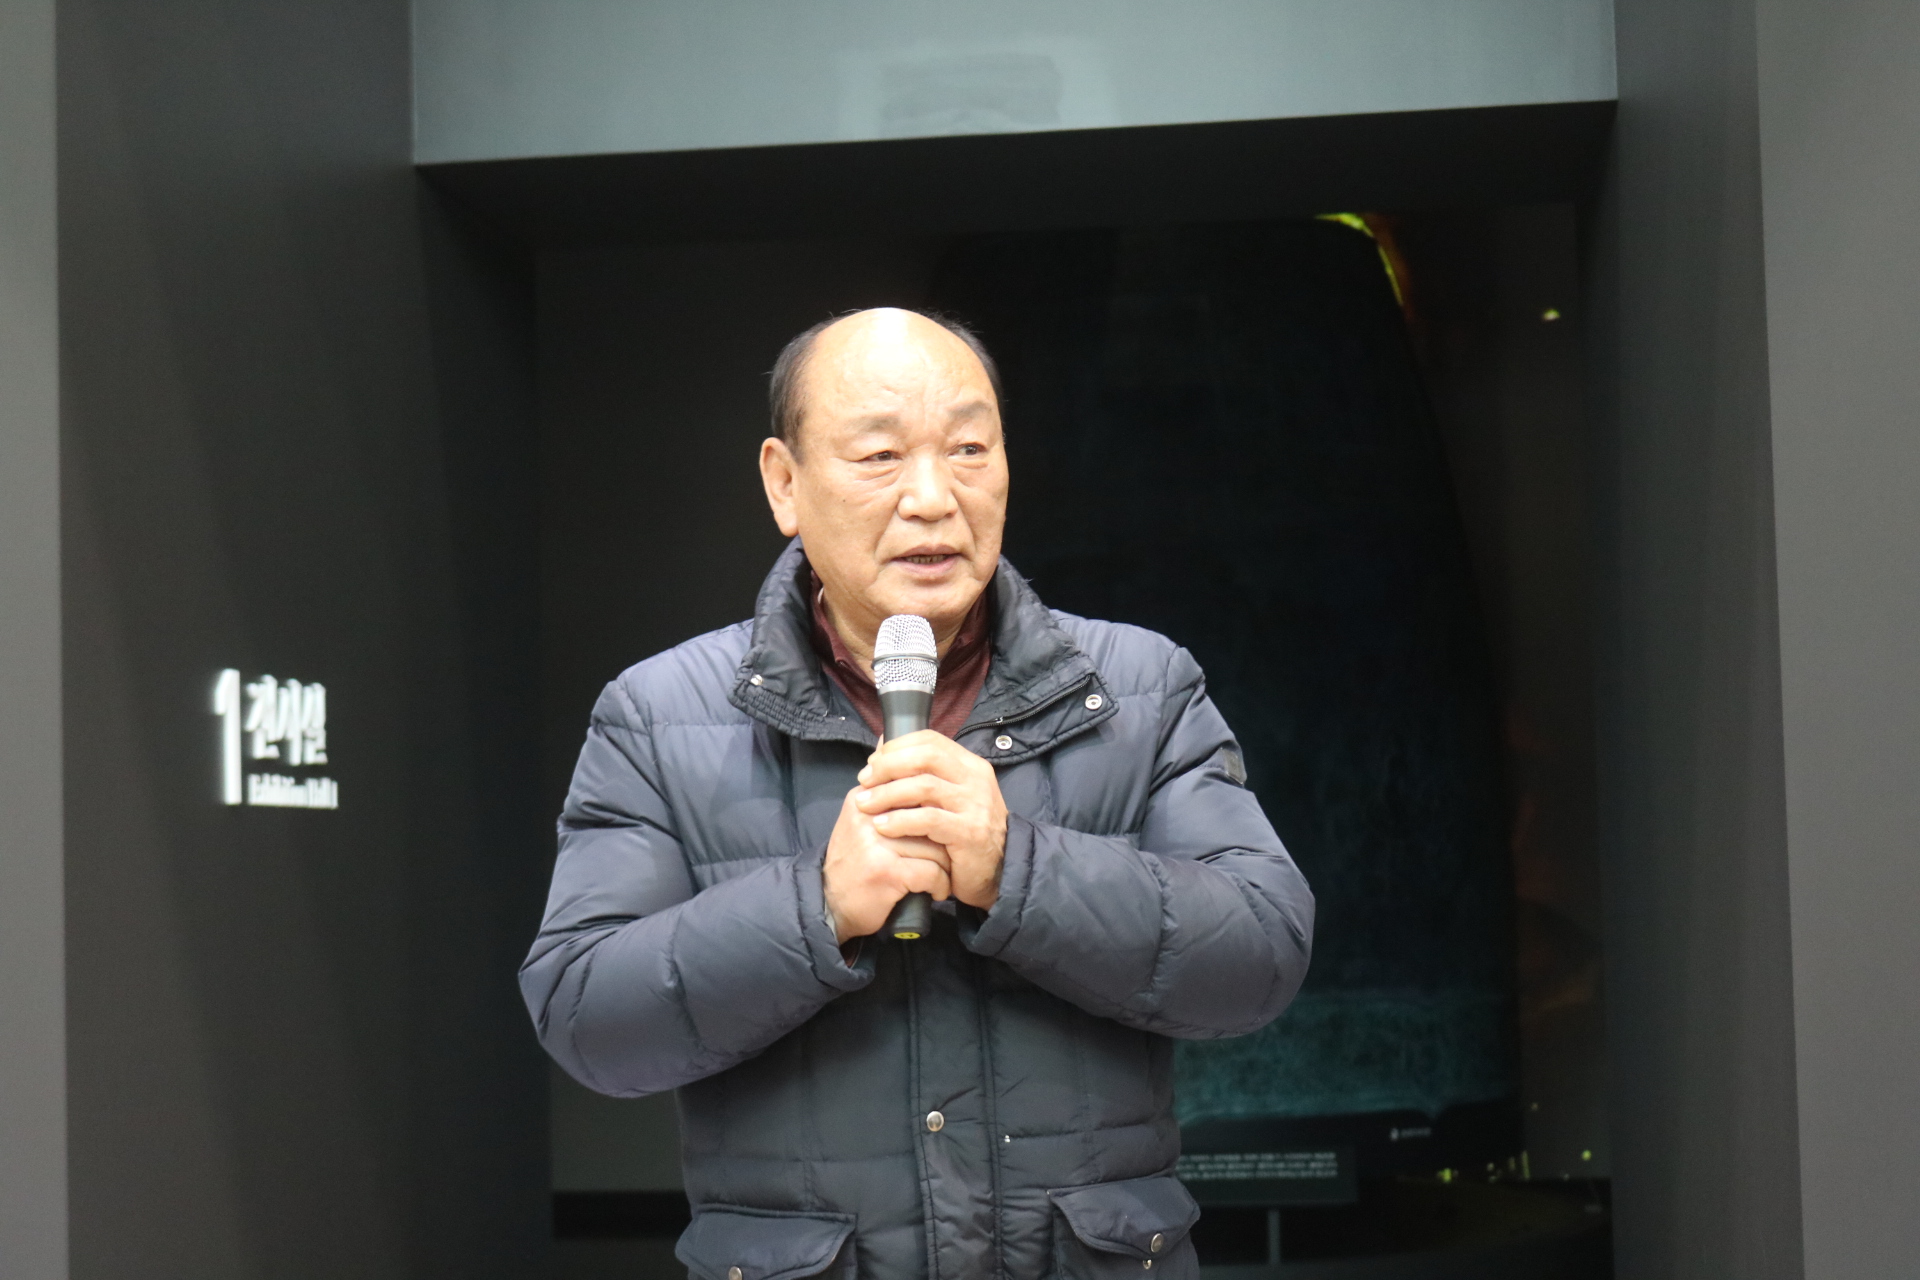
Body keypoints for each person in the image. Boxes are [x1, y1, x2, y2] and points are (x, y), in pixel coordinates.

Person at [521, 308, 1314, 1280]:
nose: (934, 498)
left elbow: (1262, 953)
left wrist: (1016, 869)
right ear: (784, 482)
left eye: (970, 449)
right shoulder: (658, 713)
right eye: (880, 455)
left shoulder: (1140, 686)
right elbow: (586, 1017)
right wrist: (815, 908)